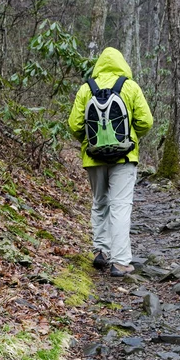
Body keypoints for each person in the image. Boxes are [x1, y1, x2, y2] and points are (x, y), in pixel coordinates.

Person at [68, 47, 153, 277]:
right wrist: (130, 137)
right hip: (124, 157)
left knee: (99, 202)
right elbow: (146, 122)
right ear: (122, 63)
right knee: (120, 206)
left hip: (93, 157)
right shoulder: (130, 87)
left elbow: (75, 126)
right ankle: (121, 261)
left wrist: (91, 143)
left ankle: (101, 251)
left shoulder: (87, 89)